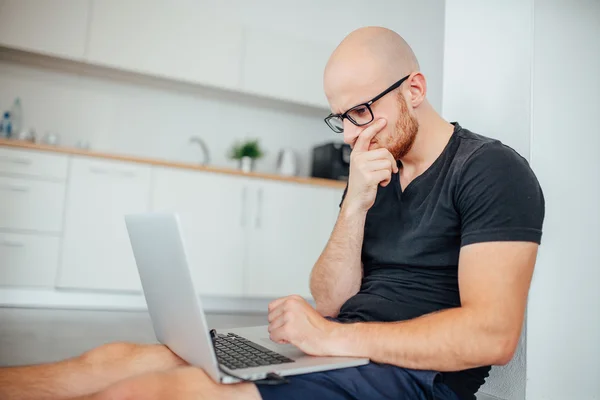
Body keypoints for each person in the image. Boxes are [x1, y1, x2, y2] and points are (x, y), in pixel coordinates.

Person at [0, 26, 544, 400]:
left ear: (414, 90)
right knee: (114, 360)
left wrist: (334, 339)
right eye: (342, 119)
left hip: (411, 379)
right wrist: (354, 203)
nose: (352, 134)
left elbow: (492, 335)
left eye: (360, 111)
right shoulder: (372, 169)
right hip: (339, 348)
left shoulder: (489, 170)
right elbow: (331, 298)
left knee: (150, 392)